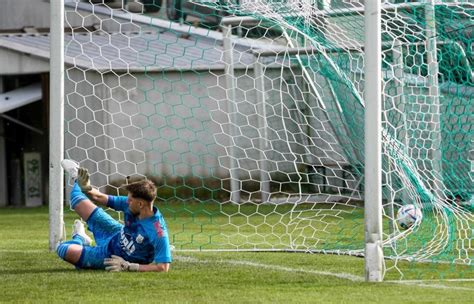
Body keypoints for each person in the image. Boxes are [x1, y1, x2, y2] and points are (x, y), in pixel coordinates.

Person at [56, 160, 172, 272]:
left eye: (130, 200)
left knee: (63, 249)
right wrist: (86, 188)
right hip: (115, 232)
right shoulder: (130, 204)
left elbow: (163, 267)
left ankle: (79, 239)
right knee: (77, 200)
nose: (127, 202)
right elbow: (99, 197)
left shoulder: (157, 232)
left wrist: (128, 266)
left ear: (140, 204)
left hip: (110, 256)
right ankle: (76, 177)